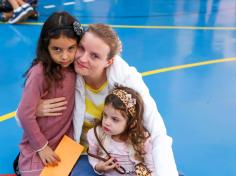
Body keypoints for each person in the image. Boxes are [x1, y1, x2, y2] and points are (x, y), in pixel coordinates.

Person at [26, 23, 179, 176]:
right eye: (82, 48)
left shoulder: (126, 78)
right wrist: (34, 110)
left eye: (95, 55)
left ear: (109, 61)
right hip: (81, 152)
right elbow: (22, 117)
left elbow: (157, 132)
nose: (82, 58)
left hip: (123, 154)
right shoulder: (64, 70)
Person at [16, 11, 83, 176]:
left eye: (71, 48)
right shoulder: (39, 73)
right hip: (39, 145)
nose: (65, 56)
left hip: (65, 144)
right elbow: (25, 114)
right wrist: (42, 147)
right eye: (57, 49)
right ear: (46, 47)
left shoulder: (78, 67)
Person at [87, 85, 155, 175]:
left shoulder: (141, 140)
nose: (106, 122)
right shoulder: (97, 135)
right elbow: (92, 156)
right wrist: (98, 167)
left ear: (132, 124)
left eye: (115, 119)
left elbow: (151, 167)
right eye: (105, 115)